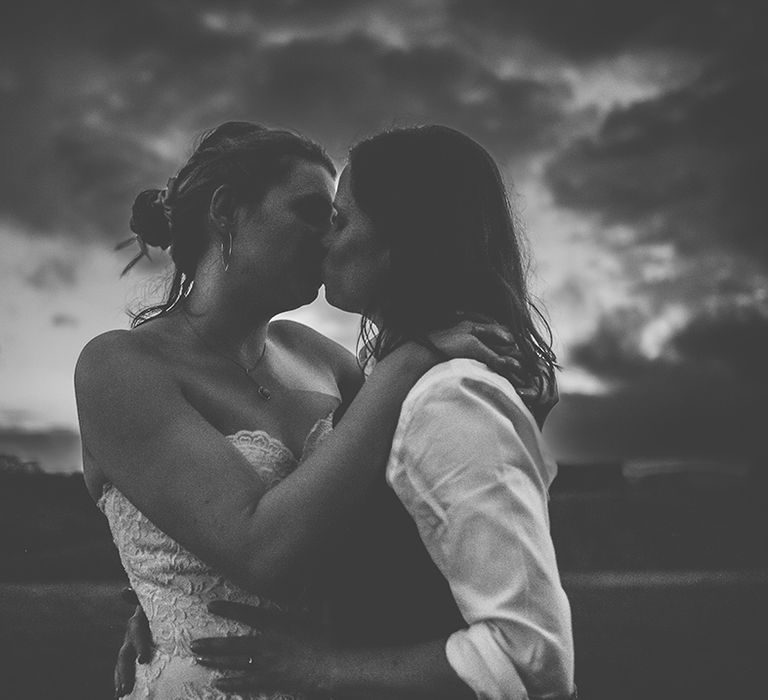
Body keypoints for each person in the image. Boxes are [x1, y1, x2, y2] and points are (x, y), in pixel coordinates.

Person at [120, 125, 576, 699]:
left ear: (404, 234)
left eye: (338, 218)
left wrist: (325, 670)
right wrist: (161, 592)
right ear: (224, 213)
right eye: (314, 213)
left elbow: (415, 516)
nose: (324, 239)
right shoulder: (123, 364)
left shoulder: (341, 366)